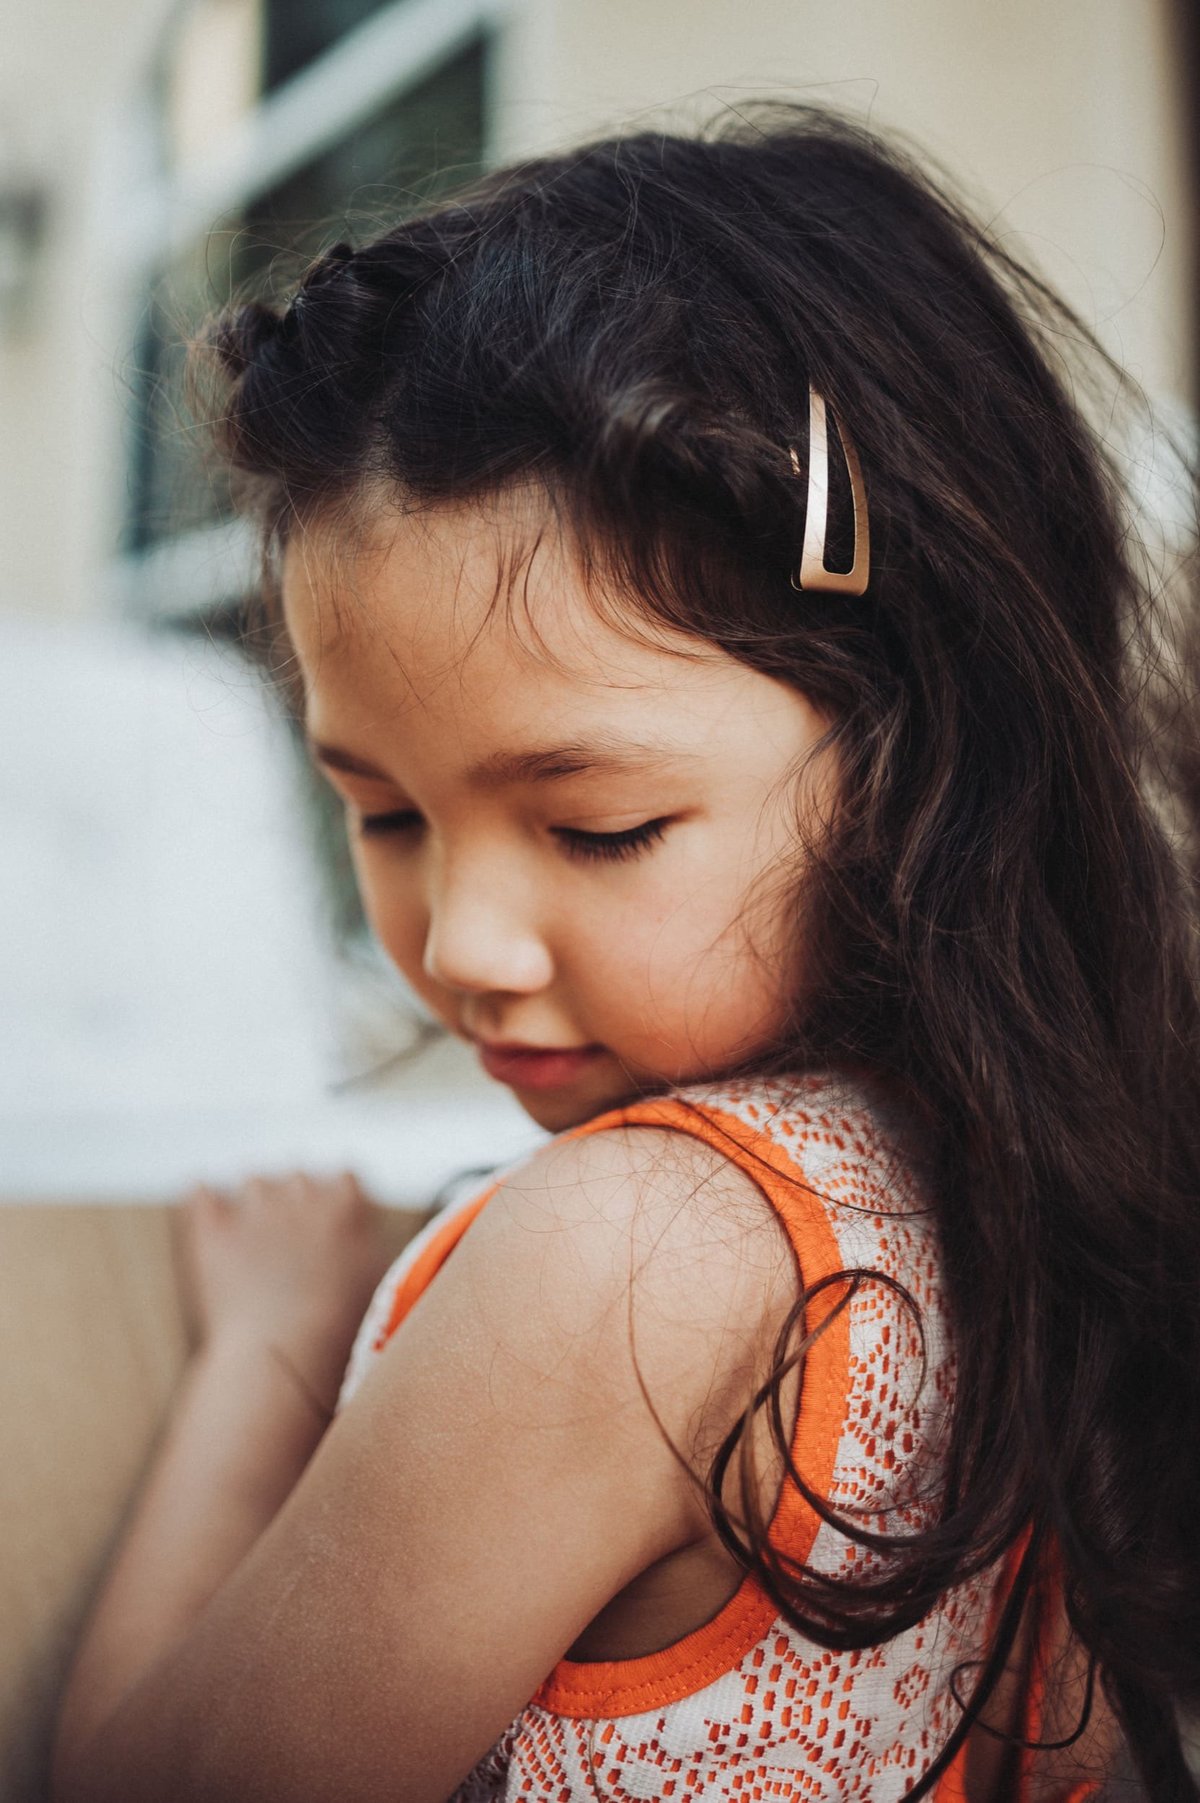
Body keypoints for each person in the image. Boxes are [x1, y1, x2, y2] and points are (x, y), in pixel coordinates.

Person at [51, 105, 1200, 1802]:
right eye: (381, 815)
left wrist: (265, 1364)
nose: (464, 941)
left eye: (596, 830)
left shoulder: (635, 1251)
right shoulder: (1036, 1182)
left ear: (922, 762)